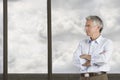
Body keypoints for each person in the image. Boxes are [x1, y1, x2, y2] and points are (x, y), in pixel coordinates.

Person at [73, 16, 113, 80]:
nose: (85, 28)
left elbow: (104, 59)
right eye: (85, 26)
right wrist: (93, 61)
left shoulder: (107, 43)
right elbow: (75, 60)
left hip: (99, 77)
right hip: (83, 78)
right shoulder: (82, 43)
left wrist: (87, 57)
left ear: (98, 27)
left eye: (88, 26)